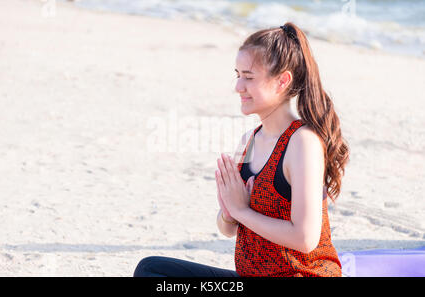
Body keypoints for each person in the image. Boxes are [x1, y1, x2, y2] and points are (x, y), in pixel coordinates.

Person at [133, 22, 349, 277]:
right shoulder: (250, 141)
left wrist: (241, 211)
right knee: (151, 270)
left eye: (248, 77)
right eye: (238, 75)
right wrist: (228, 212)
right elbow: (227, 228)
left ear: (282, 81)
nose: (238, 87)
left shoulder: (303, 142)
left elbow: (305, 238)